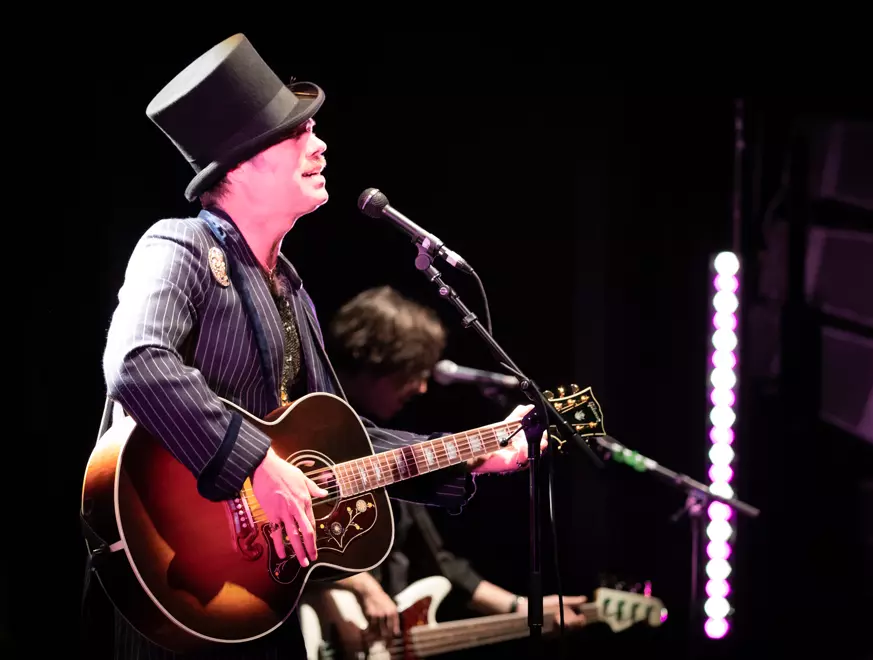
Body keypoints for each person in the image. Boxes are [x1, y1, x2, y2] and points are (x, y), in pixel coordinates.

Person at [93, 34, 541, 660]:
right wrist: (256, 462)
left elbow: (341, 442)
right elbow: (136, 362)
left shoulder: (289, 286)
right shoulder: (179, 246)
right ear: (241, 162)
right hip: (175, 580)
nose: (320, 144)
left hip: (258, 597)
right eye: (297, 134)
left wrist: (474, 454)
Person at [298, 286, 587, 659]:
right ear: (376, 361)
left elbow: (439, 563)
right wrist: (361, 587)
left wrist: (522, 607)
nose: (421, 387)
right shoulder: (306, 433)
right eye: (413, 372)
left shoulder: (396, 451)